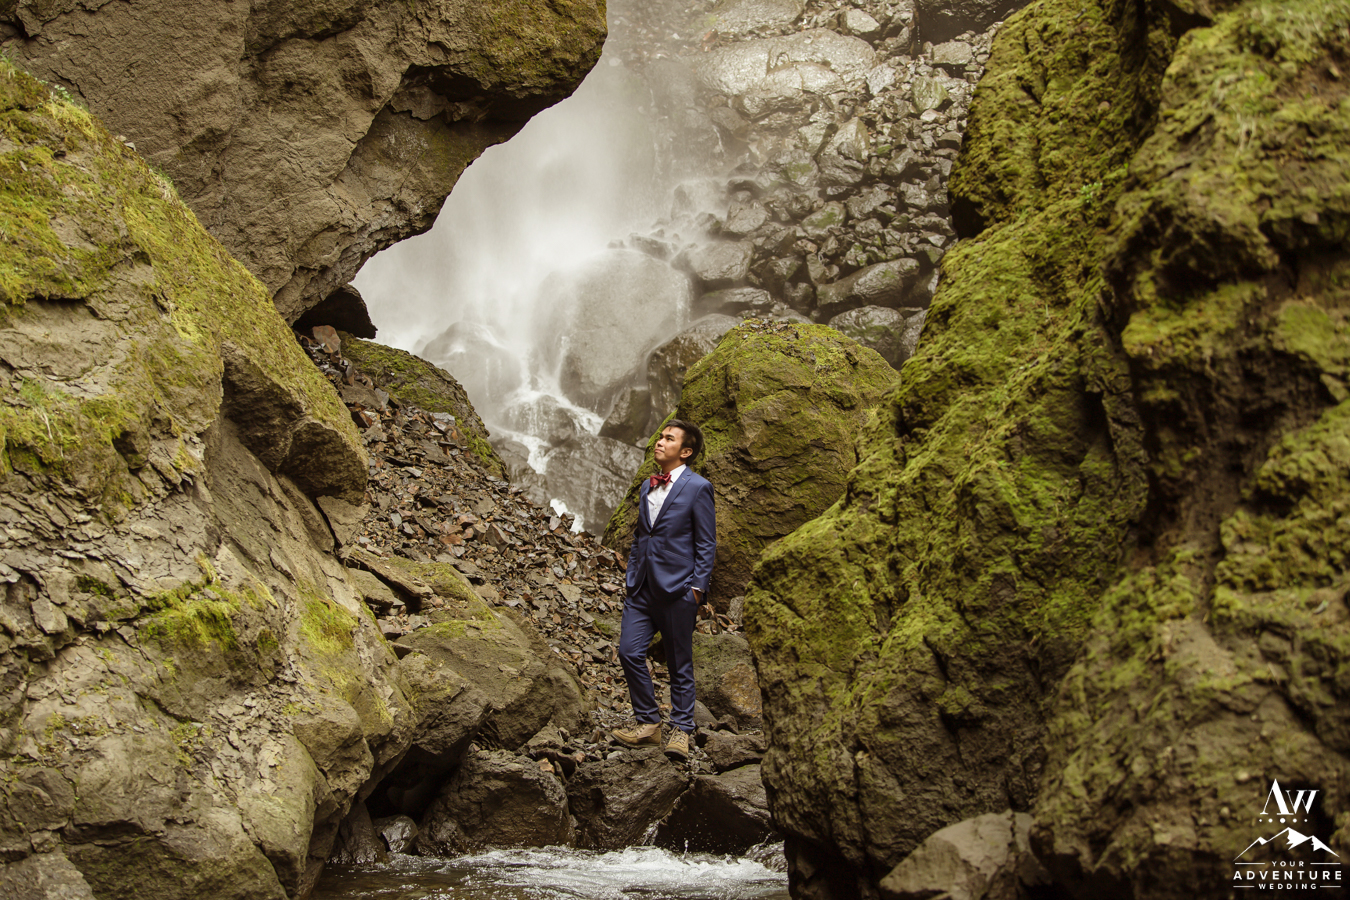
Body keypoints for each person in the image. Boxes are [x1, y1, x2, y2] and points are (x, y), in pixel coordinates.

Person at [610, 419, 716, 760]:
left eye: (669, 438)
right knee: (628, 652)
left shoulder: (699, 487)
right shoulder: (647, 486)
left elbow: (707, 542)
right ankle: (649, 724)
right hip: (641, 588)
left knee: (678, 663)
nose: (659, 441)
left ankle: (682, 730)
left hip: (678, 590)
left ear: (685, 451)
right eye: (660, 436)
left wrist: (696, 589)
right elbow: (642, 535)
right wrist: (632, 573)